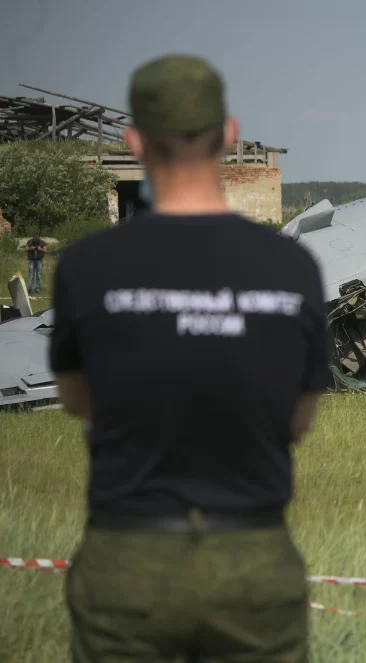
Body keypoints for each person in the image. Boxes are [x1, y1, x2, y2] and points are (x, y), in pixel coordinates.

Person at [49, 54, 333, 662]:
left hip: (128, 555)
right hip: (251, 557)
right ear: (229, 137)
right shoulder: (292, 268)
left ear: (133, 142)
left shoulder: (86, 267)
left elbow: (77, 400)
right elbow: (298, 418)